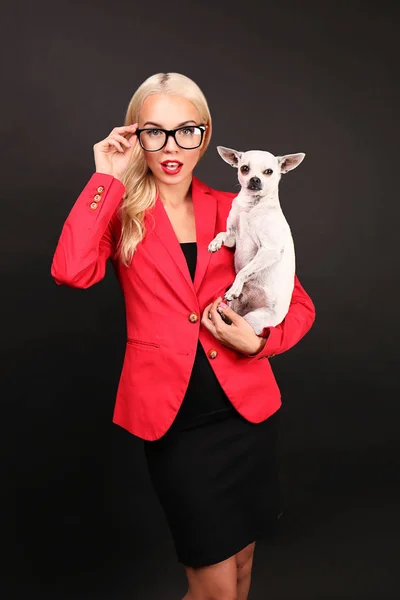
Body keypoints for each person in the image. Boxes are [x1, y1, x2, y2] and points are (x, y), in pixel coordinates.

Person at [51, 72, 315, 600]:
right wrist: (106, 177)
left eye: (186, 131)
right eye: (154, 132)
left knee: (240, 570)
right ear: (135, 136)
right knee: (214, 586)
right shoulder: (120, 208)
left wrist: (259, 343)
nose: (171, 147)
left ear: (207, 135)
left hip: (246, 413)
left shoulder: (235, 207)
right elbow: (71, 270)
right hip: (175, 421)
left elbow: (299, 304)